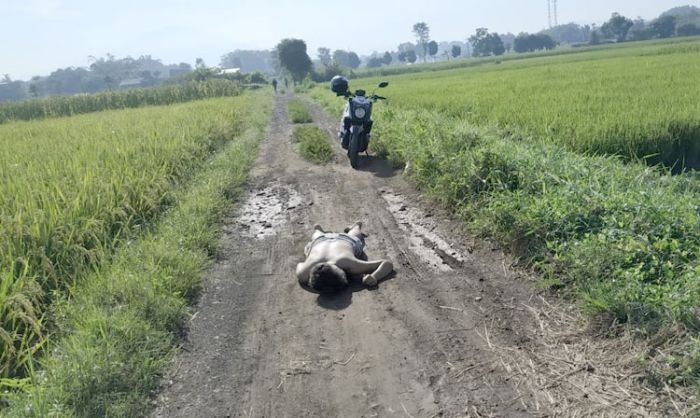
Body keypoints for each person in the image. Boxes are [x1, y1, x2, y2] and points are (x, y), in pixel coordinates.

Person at [296, 222, 393, 293]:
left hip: (344, 240)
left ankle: (356, 225)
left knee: (354, 236)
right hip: (320, 240)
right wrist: (374, 276)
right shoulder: (303, 274)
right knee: (317, 236)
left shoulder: (348, 264)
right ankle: (318, 229)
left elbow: (387, 263)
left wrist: (375, 277)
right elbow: (300, 265)